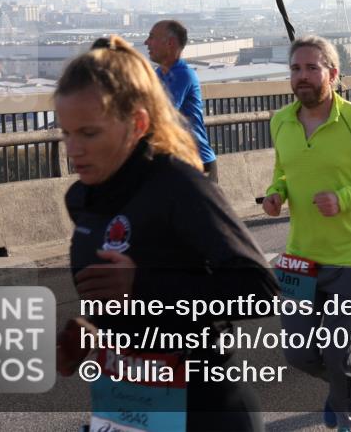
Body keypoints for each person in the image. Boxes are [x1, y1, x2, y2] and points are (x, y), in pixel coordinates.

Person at [54, 36, 278, 432]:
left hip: (205, 411)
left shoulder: (177, 184)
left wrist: (143, 284)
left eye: (89, 133)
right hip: (129, 410)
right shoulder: (83, 201)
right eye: (66, 134)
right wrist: (91, 335)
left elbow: (258, 289)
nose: (74, 149)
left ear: (137, 123)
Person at [262, 35, 351, 432]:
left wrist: (344, 198)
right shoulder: (280, 121)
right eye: (295, 69)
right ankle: (343, 389)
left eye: (311, 68)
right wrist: (276, 193)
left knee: (338, 350)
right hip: (300, 257)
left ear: (333, 73)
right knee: (298, 354)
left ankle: (348, 420)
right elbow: (283, 172)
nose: (301, 77)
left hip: (350, 255)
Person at [145, 20, 219, 182]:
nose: (146, 43)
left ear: (170, 43)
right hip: (174, 162)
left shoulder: (182, 74)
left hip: (197, 164)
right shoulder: (159, 74)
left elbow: (161, 114)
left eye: (152, 37)